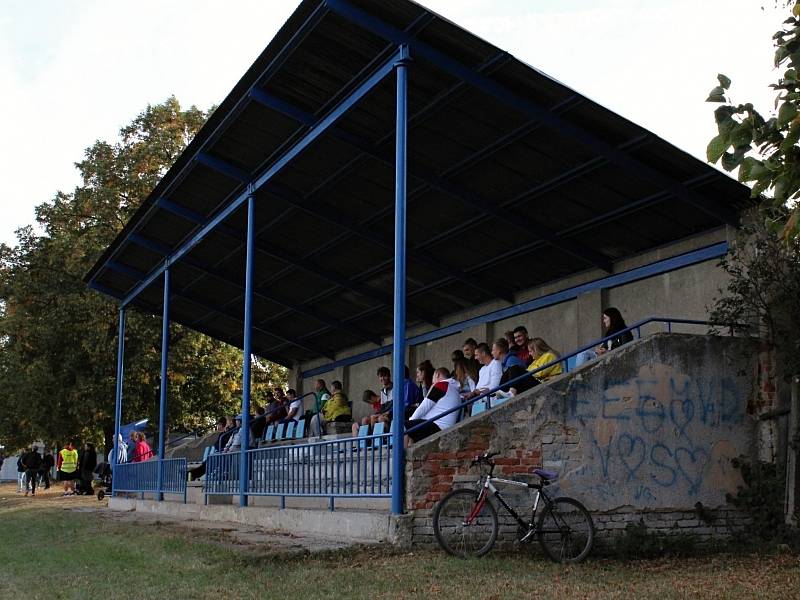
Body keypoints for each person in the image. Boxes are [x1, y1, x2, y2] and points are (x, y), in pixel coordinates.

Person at [405, 368, 463, 445]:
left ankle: (399, 456)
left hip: (437, 426)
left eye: (433, 378)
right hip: (441, 426)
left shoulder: (441, 385)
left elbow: (424, 406)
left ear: (437, 375)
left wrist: (411, 420)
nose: (433, 382)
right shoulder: (454, 389)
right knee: (411, 433)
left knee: (402, 425)